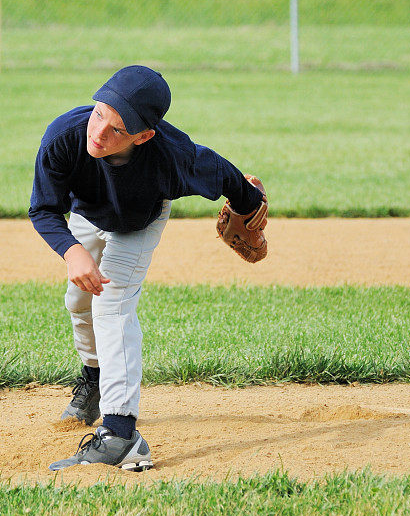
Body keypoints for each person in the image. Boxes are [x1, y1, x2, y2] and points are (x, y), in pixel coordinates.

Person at [29, 65, 266, 471]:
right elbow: (44, 209)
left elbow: (229, 176)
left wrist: (251, 205)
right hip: (87, 215)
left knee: (112, 303)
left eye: (116, 129)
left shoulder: (174, 157)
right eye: (99, 112)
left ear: (143, 136)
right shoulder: (63, 137)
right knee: (79, 302)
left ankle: (122, 436)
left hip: (139, 223)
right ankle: (94, 383)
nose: (98, 131)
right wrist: (71, 251)